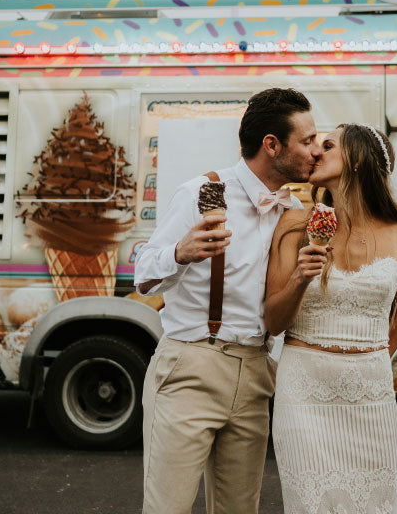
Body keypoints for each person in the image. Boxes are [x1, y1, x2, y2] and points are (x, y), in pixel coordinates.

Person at [134, 87, 321, 514]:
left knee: (239, 508)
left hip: (256, 372)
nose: (315, 150)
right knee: (168, 507)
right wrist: (179, 253)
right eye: (307, 141)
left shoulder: (292, 210)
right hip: (192, 366)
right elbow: (142, 274)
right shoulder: (203, 191)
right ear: (272, 145)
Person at [265, 123, 397, 514]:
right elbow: (273, 321)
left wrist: (380, 352)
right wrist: (301, 277)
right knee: (311, 504)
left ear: (356, 158)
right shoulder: (296, 224)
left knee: (373, 504)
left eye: (327, 144)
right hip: (304, 389)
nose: (315, 151)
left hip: (370, 393)